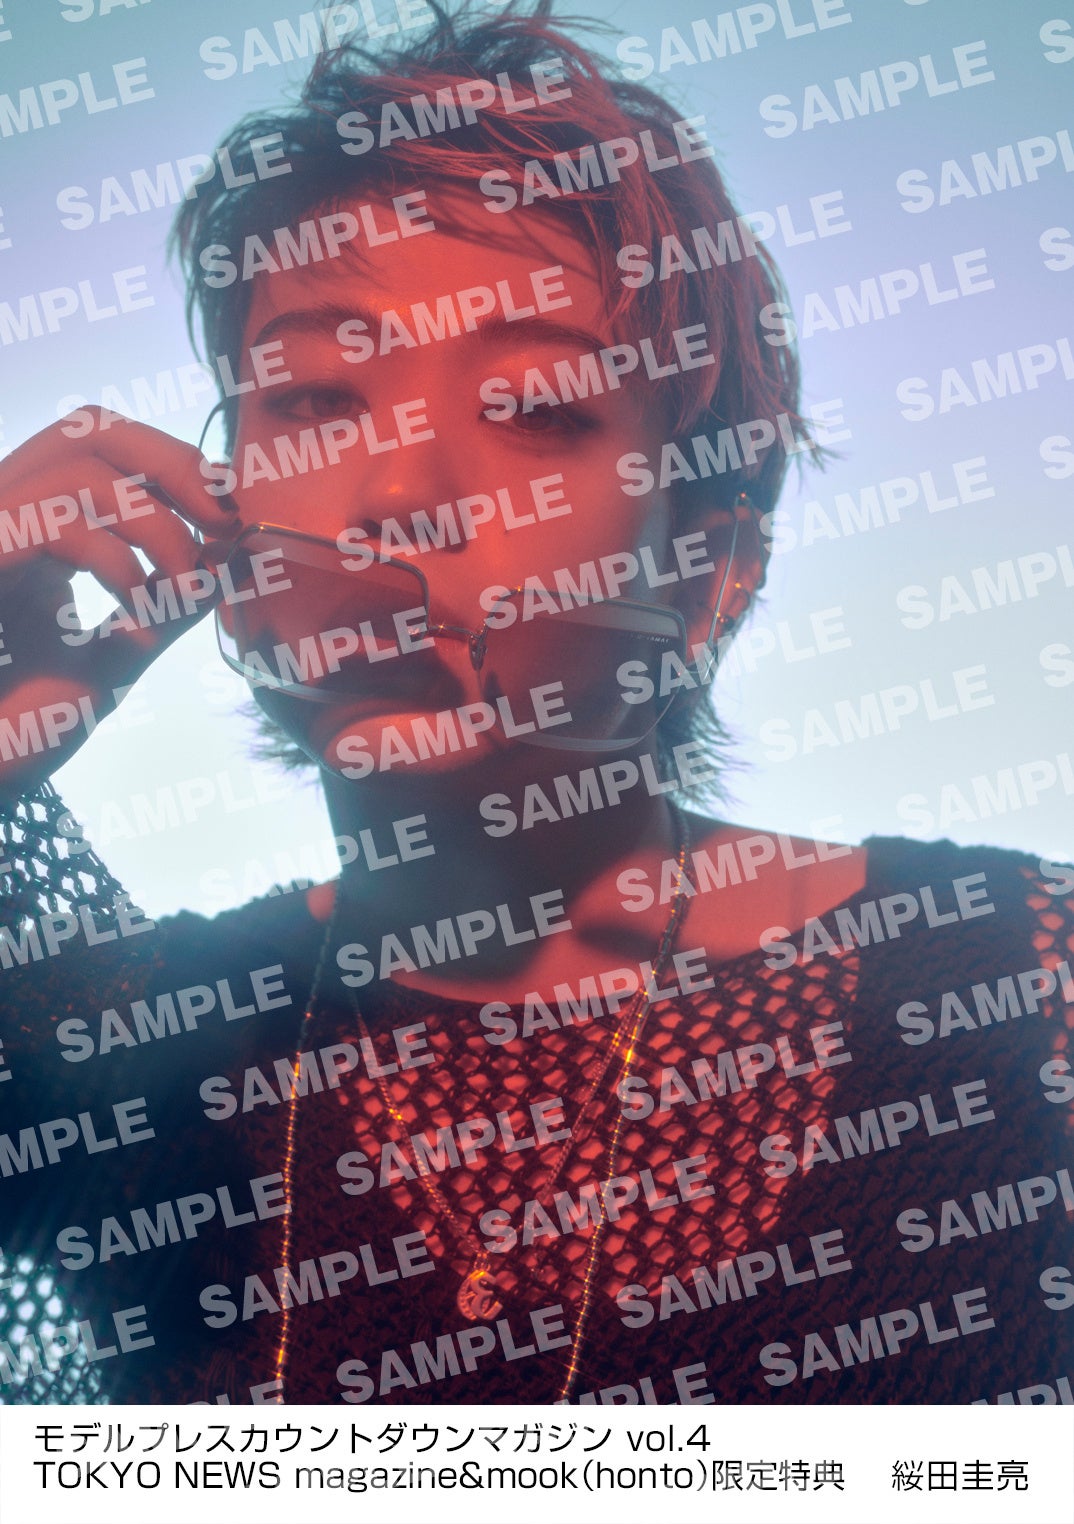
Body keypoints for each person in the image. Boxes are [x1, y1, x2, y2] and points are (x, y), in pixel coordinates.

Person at [1, 2, 1070, 1407]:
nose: (397, 492)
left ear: (708, 574)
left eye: (535, 408)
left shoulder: (1021, 991)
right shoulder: (119, 1062)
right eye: (313, 397)